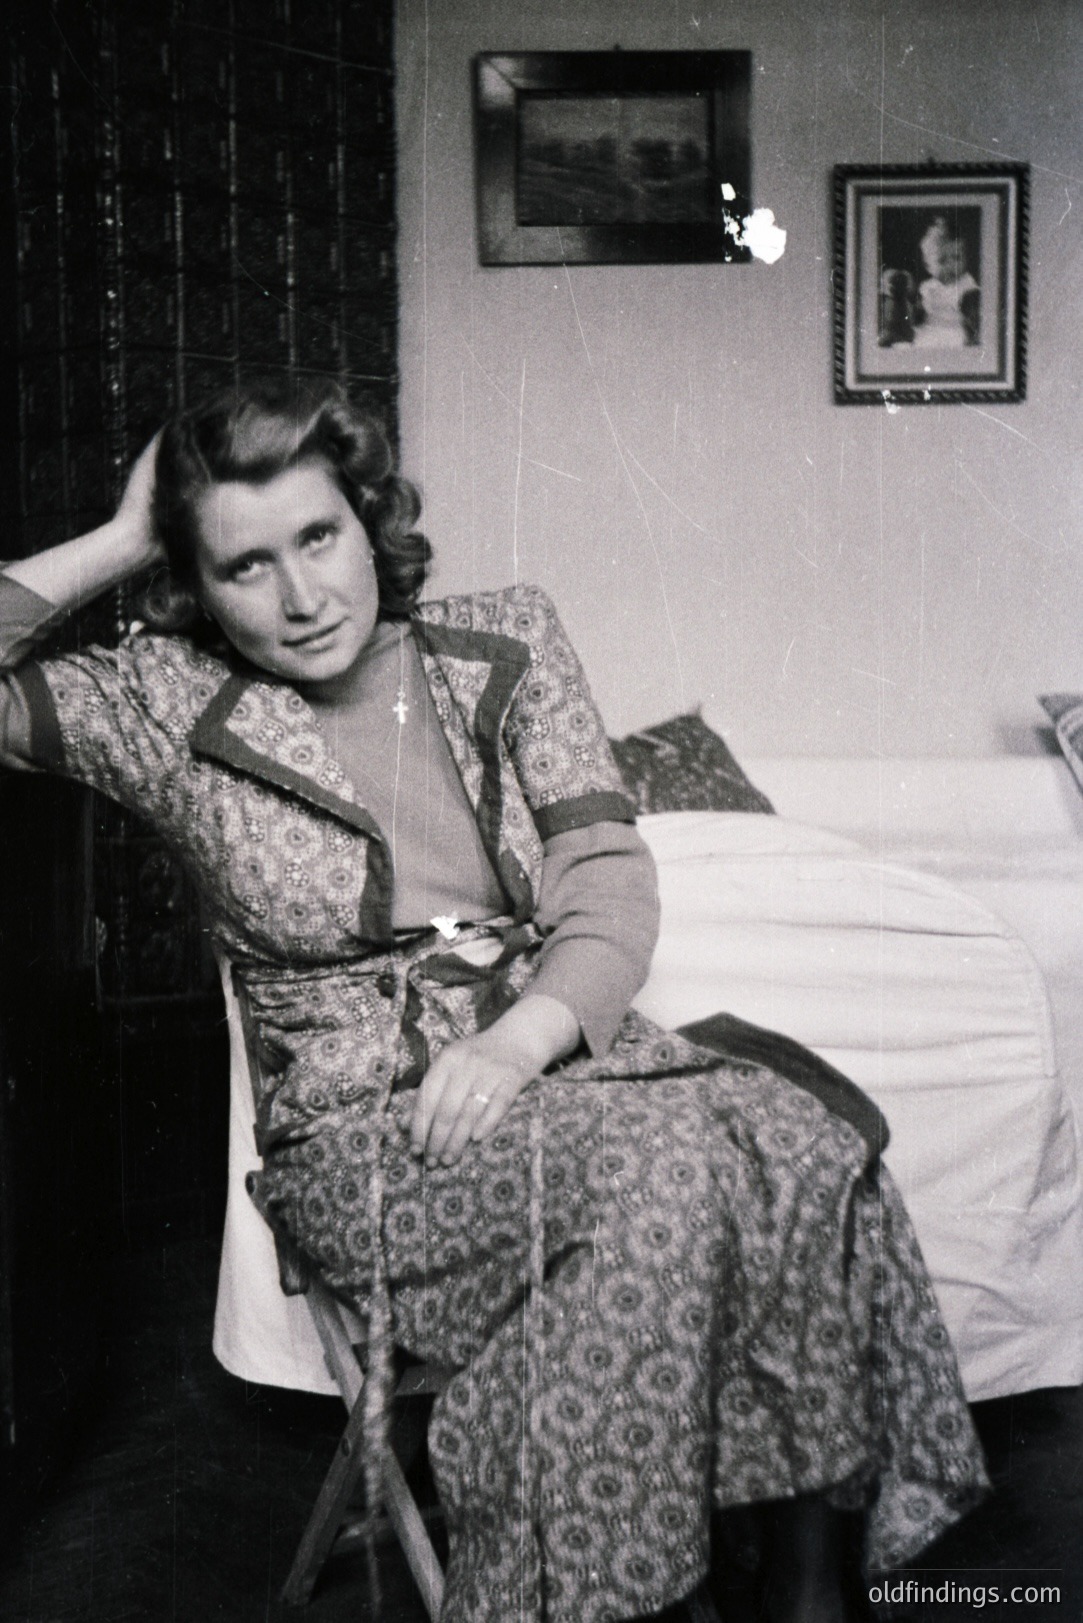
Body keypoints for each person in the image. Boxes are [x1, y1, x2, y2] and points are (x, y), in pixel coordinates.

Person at [0, 378, 987, 1623]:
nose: (303, 597)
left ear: (369, 521)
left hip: (564, 1068)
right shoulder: (157, 707)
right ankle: (606, 1599)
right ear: (196, 583)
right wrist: (122, 538)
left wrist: (524, 1043)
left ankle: (804, 1580)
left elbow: (607, 879)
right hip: (371, 1136)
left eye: (318, 537)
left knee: (797, 1140)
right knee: (676, 1175)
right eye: (245, 565)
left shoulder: (504, 642)